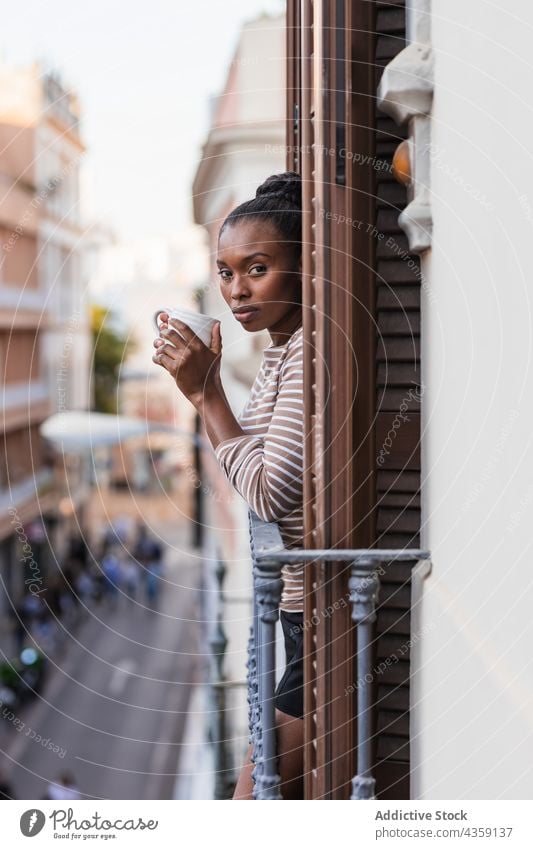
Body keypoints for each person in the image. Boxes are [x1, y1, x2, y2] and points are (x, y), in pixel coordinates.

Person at [153, 171, 305, 799]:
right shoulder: (281, 353)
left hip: (315, 616)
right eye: (224, 271)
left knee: (252, 802)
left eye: (258, 268)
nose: (236, 291)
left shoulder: (310, 354)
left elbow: (271, 491)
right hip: (301, 611)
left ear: (306, 265)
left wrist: (205, 393)